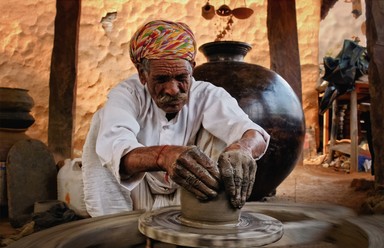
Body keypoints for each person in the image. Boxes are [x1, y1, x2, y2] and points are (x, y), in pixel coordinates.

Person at [82, 20, 270, 217]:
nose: (173, 90)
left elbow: (253, 132)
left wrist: (244, 149)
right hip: (137, 196)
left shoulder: (206, 94)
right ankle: (113, 230)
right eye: (161, 79)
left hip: (191, 193)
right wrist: (164, 155)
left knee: (229, 138)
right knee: (101, 124)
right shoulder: (127, 94)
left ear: (192, 69)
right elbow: (115, 144)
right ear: (142, 74)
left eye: (181, 78)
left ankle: (213, 221)